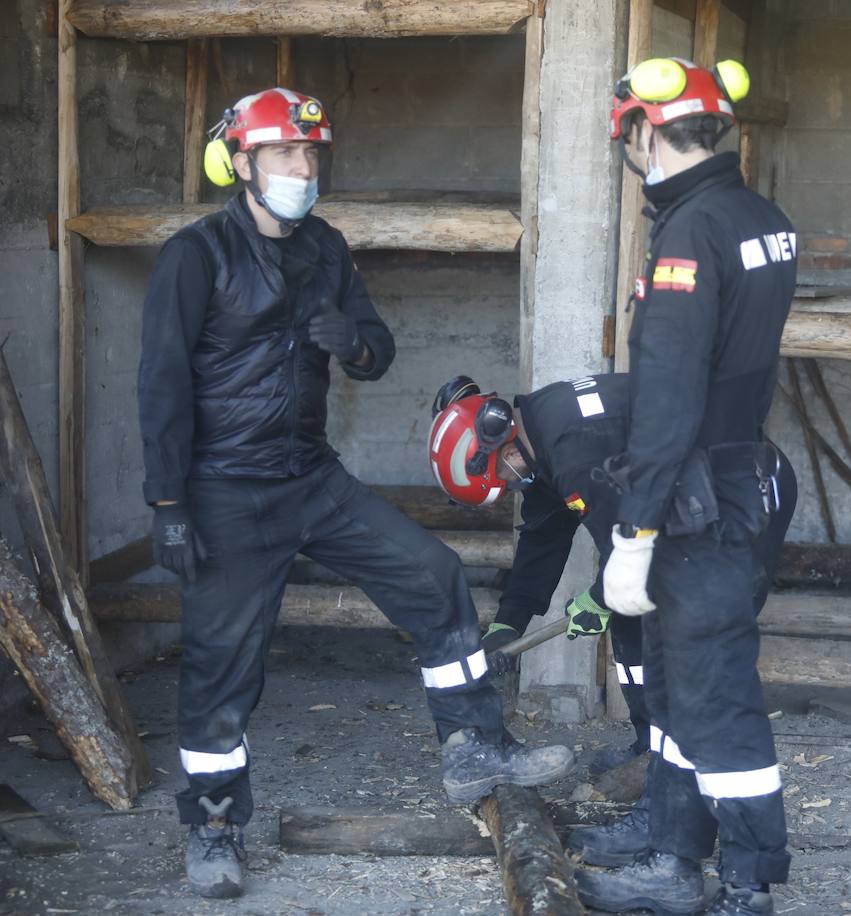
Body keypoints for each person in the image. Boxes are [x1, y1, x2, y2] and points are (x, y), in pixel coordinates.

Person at [136, 88, 572, 901]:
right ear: (242, 163)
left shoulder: (325, 247)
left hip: (310, 475)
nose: (303, 169)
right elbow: (160, 383)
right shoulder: (194, 257)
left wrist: (355, 343)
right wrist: (167, 504)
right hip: (226, 488)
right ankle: (215, 828)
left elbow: (378, 350)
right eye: (285, 155)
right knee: (221, 671)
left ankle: (474, 744)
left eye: (312, 155)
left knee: (433, 575)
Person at [573, 58, 800, 916]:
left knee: (714, 695)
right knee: (672, 681)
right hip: (741, 472)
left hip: (700, 496)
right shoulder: (758, 214)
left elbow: (668, 397)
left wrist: (635, 531)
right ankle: (669, 838)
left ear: (642, 132)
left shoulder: (689, 233)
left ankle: (742, 880)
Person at [428, 372, 796, 870]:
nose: (513, 484)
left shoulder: (577, 447)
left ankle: (668, 817)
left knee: (686, 653)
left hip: (743, 493)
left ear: (501, 439)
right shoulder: (536, 430)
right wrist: (509, 624)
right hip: (691, 500)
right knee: (634, 623)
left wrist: (599, 597)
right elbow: (545, 532)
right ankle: (653, 750)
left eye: (506, 478)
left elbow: (639, 552)